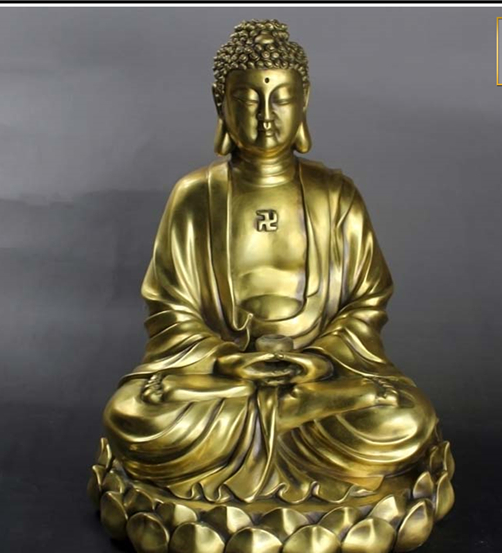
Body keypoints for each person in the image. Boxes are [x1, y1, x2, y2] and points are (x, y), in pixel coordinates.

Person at [103, 19, 439, 505]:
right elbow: (170, 309)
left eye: (281, 98)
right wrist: (226, 361)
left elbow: (366, 301)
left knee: (406, 418)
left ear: (305, 101)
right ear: (220, 103)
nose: (265, 115)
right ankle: (282, 419)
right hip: (224, 380)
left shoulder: (336, 195)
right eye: (247, 100)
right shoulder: (194, 196)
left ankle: (289, 414)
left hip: (318, 378)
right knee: (135, 417)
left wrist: (318, 361)